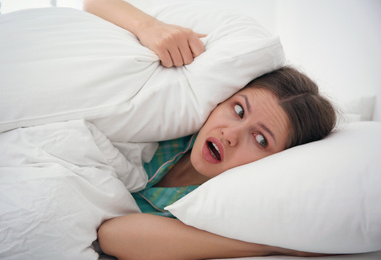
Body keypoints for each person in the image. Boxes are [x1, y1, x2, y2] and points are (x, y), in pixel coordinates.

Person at [83, 1, 337, 259]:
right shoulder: (171, 116)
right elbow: (94, 3)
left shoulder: (225, 208)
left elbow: (114, 236)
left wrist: (271, 246)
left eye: (260, 139)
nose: (230, 134)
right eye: (238, 110)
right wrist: (149, 27)